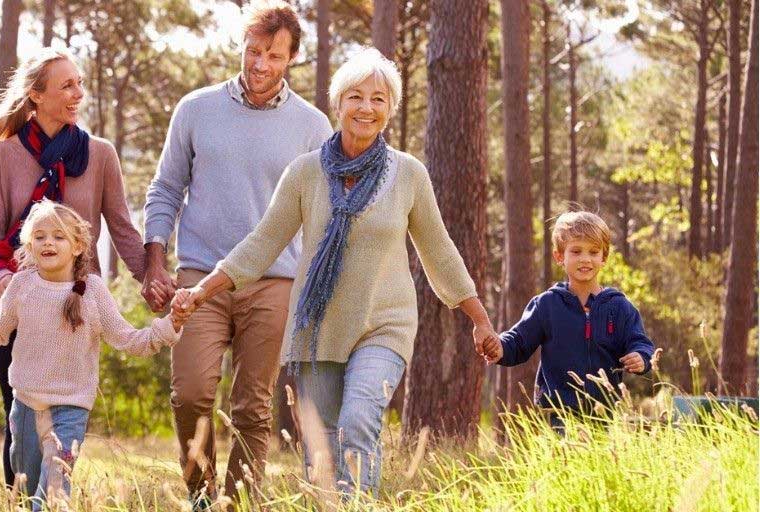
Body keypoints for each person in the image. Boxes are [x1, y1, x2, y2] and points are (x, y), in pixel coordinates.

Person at [173, 48, 497, 494]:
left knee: (359, 419)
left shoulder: (409, 175)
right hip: (318, 329)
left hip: (384, 325)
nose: (366, 107)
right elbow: (262, 244)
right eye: (355, 96)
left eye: (378, 99)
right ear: (338, 103)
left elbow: (439, 251)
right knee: (322, 450)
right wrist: (201, 291)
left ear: (390, 109)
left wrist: (479, 319)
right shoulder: (305, 173)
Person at [141, 0, 333, 504]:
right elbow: (165, 188)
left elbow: (322, 214)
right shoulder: (196, 109)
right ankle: (202, 498)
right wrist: (154, 261)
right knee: (190, 393)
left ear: (292, 57)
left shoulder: (313, 127)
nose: (260, 64)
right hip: (198, 277)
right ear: (242, 47)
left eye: (274, 55)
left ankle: (240, 503)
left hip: (274, 281)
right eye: (253, 51)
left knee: (252, 407)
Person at [0, 47, 149, 487]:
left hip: (77, 306)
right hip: (20, 306)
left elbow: (123, 228)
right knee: (19, 419)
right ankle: (20, 498)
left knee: (67, 419)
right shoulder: (2, 155)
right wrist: (6, 282)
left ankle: (53, 497)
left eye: (79, 83)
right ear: (36, 95)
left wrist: (151, 279)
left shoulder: (100, 155)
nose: (78, 94)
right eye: (67, 85)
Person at [0, 201, 186, 510]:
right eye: (40, 236)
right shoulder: (21, 285)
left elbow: (130, 340)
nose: (49, 242)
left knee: (53, 493)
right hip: (25, 407)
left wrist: (171, 325)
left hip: (70, 410)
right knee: (28, 490)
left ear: (78, 246)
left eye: (59, 236)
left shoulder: (92, 292)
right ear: (29, 245)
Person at [487, 211, 655, 430]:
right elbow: (519, 341)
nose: (585, 259)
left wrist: (641, 357)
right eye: (576, 251)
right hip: (560, 415)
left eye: (593, 252)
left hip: (605, 413)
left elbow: (640, 342)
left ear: (604, 257)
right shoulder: (547, 305)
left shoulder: (619, 307)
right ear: (560, 257)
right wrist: (499, 347)